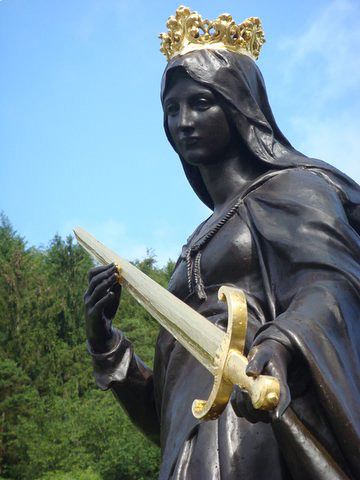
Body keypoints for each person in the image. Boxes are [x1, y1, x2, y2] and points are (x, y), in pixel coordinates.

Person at [84, 7, 360, 480]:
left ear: (239, 107)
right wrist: (106, 344)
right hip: (190, 454)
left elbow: (332, 286)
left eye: (201, 103)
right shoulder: (195, 243)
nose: (183, 121)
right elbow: (169, 413)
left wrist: (281, 343)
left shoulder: (294, 189)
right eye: (172, 110)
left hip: (254, 427)